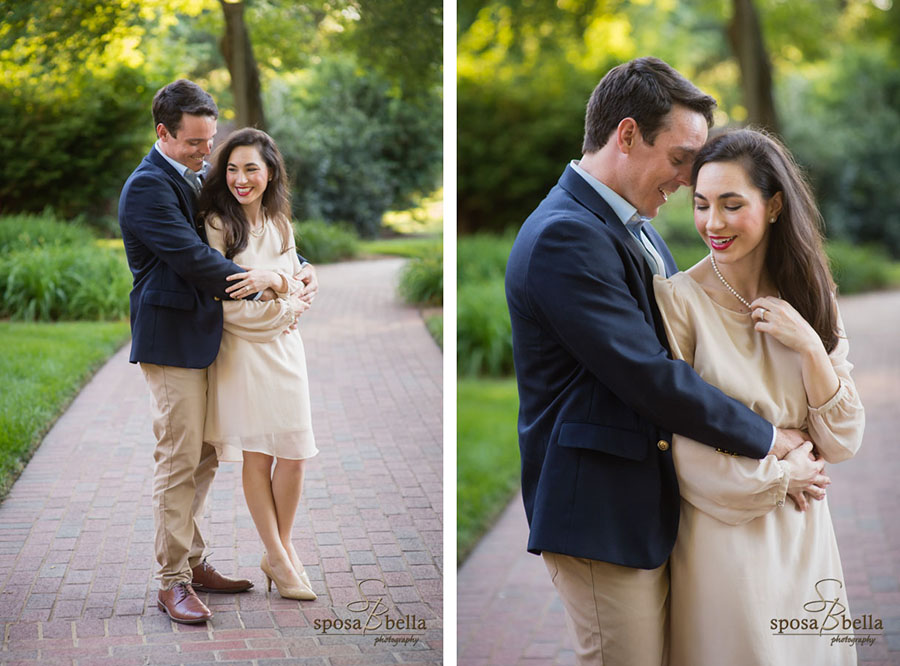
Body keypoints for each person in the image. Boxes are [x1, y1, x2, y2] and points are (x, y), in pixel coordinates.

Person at [505, 57, 812, 665]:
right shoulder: (566, 236)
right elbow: (649, 375)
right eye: (679, 159)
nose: (685, 180)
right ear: (625, 135)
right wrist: (769, 439)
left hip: (648, 505)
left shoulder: (633, 227)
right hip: (602, 514)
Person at [653, 128, 863, 665]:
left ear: (772, 206)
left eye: (731, 204)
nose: (712, 223)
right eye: (701, 204)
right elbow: (685, 447)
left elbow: (841, 440)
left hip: (804, 532)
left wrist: (811, 348)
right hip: (725, 539)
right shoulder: (679, 302)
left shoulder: (812, 296)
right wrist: (781, 475)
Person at [118, 80, 317, 624]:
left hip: (207, 340)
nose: (206, 153)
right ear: (163, 132)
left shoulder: (188, 178)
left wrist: (297, 273)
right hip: (172, 342)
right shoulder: (147, 188)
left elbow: (250, 235)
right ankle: (171, 581)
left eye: (210, 141)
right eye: (194, 143)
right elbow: (198, 262)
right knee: (178, 459)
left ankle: (195, 560)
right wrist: (276, 282)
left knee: (203, 458)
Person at [197, 128, 318, 601]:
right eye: (231, 168)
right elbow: (227, 304)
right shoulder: (217, 225)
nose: (240, 179)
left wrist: (281, 283)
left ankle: (279, 552)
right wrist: (284, 294)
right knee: (258, 454)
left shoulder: (280, 223)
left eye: (251, 169)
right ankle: (280, 557)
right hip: (244, 351)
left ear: (270, 174)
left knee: (295, 455)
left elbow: (297, 282)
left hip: (287, 351)